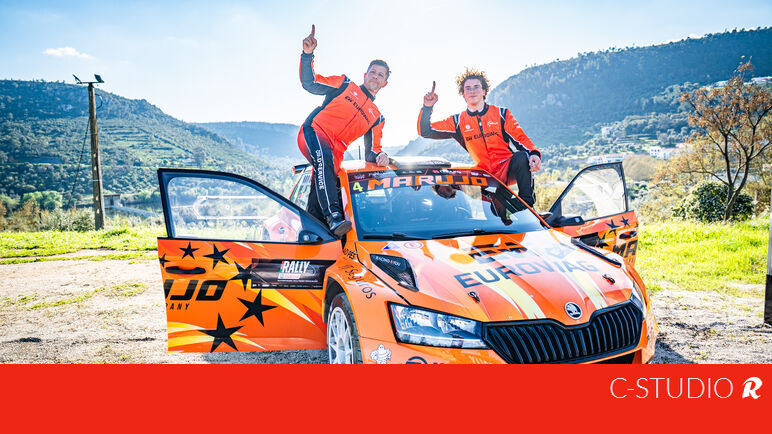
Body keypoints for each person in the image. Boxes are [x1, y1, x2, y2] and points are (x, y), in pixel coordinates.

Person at [297, 25, 390, 236]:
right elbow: (310, 83)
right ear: (365, 74)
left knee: (322, 183)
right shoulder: (344, 84)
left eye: (380, 75)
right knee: (324, 161)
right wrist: (307, 54)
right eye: (372, 72)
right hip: (314, 131)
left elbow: (372, 151)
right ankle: (334, 217)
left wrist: (381, 155)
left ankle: (312, 232)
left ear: (384, 83)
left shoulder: (377, 117)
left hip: (335, 153)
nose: (375, 76)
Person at [417, 68, 541, 207]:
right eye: (468, 88)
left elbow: (520, 137)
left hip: (507, 169)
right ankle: (465, 210)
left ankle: (528, 207)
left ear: (484, 91)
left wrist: (534, 153)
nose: (472, 91)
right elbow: (425, 131)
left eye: (476, 87)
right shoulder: (457, 121)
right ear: (463, 94)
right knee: (449, 175)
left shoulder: (501, 114)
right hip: (483, 173)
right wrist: (427, 108)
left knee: (522, 156)